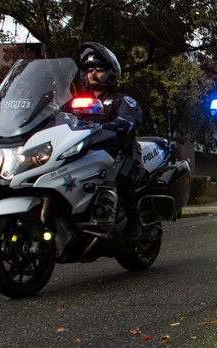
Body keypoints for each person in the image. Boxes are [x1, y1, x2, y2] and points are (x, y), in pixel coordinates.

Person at [74, 42, 145, 244]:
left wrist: (116, 126)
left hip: (117, 154)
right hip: (84, 154)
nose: (93, 74)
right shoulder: (76, 102)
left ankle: (134, 224)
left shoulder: (122, 100)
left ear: (111, 72)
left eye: (99, 69)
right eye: (89, 70)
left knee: (120, 178)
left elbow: (129, 120)